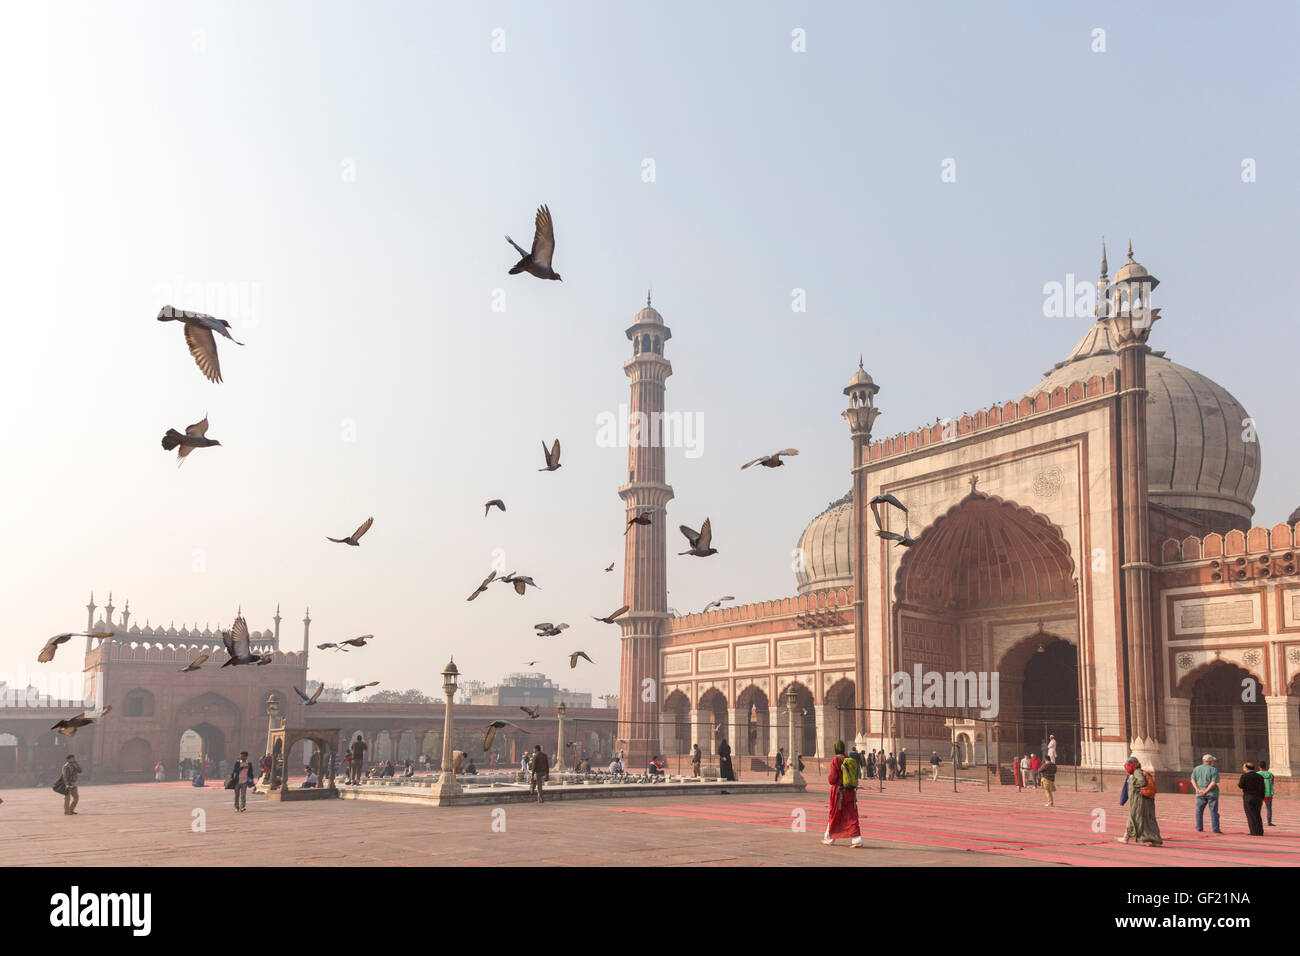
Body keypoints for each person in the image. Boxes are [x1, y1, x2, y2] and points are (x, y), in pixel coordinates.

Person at [823, 740, 863, 848]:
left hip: (839, 792)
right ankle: (857, 839)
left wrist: (829, 779)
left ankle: (829, 838)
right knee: (851, 815)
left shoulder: (836, 759)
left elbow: (833, 778)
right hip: (850, 791)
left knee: (835, 814)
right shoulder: (848, 759)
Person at [1117, 757, 1162, 846]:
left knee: (1133, 818)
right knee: (1146, 820)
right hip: (1142, 800)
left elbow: (1142, 782)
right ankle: (1155, 840)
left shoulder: (1136, 772)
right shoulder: (1139, 772)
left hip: (1138, 801)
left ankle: (1126, 838)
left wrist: (1132, 782)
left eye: (1129, 763)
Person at [1191, 754, 1221, 834]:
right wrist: (1206, 791)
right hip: (1212, 793)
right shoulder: (1213, 770)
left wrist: (1198, 790)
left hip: (1200, 793)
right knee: (1213, 811)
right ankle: (1215, 829)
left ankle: (1199, 828)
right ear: (1211, 761)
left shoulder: (1196, 769)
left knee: (1199, 811)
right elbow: (1213, 782)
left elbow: (1193, 780)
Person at [1239, 762, 1265, 836]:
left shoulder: (1244, 776)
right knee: (1257, 814)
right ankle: (1260, 831)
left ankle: (1254, 832)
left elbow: (1240, 785)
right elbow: (1263, 788)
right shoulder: (1259, 776)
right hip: (1258, 798)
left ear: (1246, 768)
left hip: (1248, 797)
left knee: (1250, 815)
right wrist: (1262, 797)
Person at [1257, 760, 1275, 826]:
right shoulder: (1270, 775)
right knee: (1269, 808)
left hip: (1259, 794)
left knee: (1257, 808)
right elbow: (1272, 783)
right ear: (1266, 766)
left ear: (1259, 767)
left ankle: (1258, 822)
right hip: (1268, 793)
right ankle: (1269, 822)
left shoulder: (1257, 774)